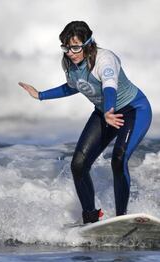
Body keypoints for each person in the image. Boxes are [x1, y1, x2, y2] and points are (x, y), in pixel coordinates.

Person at [18, 21, 152, 224]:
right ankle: (91, 217)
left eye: (75, 47)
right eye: (66, 47)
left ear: (88, 43)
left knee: (118, 159)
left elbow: (109, 87)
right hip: (105, 112)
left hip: (134, 110)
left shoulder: (105, 60)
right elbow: (76, 86)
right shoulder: (69, 62)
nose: (70, 53)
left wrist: (109, 110)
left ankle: (122, 217)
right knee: (78, 165)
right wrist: (40, 95)